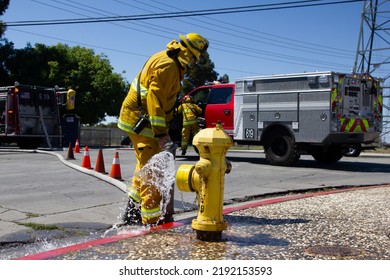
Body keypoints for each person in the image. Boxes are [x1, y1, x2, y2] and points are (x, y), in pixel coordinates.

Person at [117, 33, 209, 226]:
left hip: (142, 121)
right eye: (193, 57)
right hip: (144, 125)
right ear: (185, 51)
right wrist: (161, 134)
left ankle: (130, 216)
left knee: (144, 170)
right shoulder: (168, 66)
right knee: (153, 177)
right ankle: (150, 223)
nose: (192, 62)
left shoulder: (169, 60)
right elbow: (154, 99)